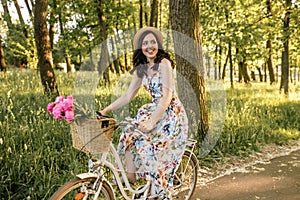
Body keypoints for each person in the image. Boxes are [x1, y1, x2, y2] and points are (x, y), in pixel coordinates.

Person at [100, 27, 188, 200]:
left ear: (158, 45)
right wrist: (105, 110)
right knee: (128, 136)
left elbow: (166, 96)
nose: (149, 46)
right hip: (153, 110)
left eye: (153, 42)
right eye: (145, 43)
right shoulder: (141, 68)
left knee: (149, 148)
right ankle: (132, 179)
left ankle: (162, 192)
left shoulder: (164, 63)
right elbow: (128, 95)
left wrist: (151, 122)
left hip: (170, 114)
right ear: (140, 47)